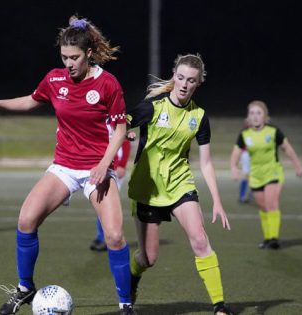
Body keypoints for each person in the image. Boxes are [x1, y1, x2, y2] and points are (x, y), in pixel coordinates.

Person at [0, 16, 134, 315]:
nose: (69, 63)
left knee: (114, 236)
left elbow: (120, 130)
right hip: (64, 166)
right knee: (26, 220)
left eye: (74, 58)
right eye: (64, 57)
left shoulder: (108, 84)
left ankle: (125, 305)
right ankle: (25, 288)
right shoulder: (55, 79)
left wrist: (104, 165)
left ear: (88, 54)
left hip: (96, 169)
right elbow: (30, 100)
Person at [126, 54, 234, 315]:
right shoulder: (152, 106)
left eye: (192, 81)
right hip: (147, 188)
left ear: (199, 84)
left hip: (180, 184)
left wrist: (217, 201)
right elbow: (121, 124)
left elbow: (206, 163)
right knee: (148, 258)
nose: (185, 84)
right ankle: (131, 282)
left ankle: (219, 307)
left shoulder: (199, 116)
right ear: (174, 75)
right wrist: (125, 132)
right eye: (181, 77)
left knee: (199, 240)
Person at [230, 101, 302, 250]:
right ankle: (267, 238)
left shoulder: (273, 131)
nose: (255, 116)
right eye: (252, 113)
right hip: (256, 176)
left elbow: (287, 149)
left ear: (265, 116)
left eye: (258, 113)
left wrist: (298, 165)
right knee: (263, 207)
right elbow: (235, 153)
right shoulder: (245, 135)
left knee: (271, 204)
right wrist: (233, 167)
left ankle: (274, 239)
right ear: (248, 117)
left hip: (273, 172)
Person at [90, 139, 131, 252]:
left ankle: (103, 238)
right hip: (102, 168)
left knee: (107, 206)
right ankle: (102, 237)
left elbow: (125, 143)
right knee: (101, 204)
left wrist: (122, 165)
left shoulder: (116, 123)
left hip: (114, 169)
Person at [238, 119, 251, 203]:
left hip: (252, 155)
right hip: (246, 155)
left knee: (253, 175)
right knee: (245, 175)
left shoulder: (254, 133)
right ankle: (242, 196)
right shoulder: (244, 134)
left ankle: (253, 194)